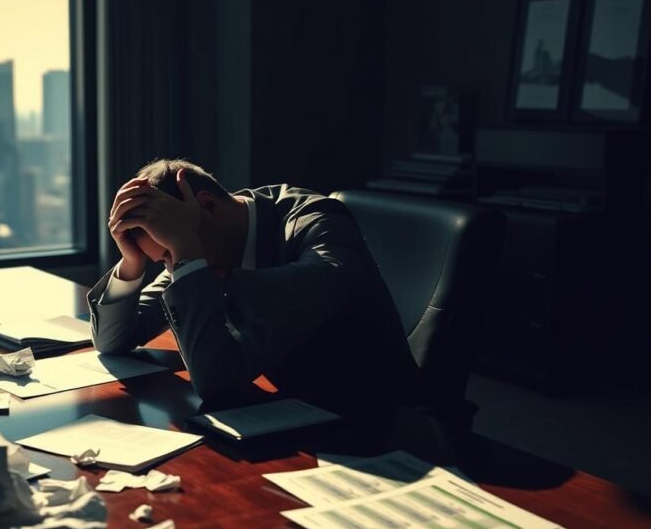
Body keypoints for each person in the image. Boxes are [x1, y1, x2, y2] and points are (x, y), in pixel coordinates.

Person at [87, 159, 419, 417]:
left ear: (208, 206)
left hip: (378, 421)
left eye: (171, 255)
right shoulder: (193, 247)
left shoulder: (316, 221)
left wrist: (188, 255)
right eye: (164, 260)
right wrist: (132, 263)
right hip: (289, 409)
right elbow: (112, 341)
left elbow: (214, 382)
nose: (172, 266)